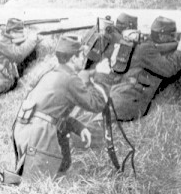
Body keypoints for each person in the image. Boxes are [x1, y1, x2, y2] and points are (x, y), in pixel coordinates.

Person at [0, 35, 111, 185]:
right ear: (73, 59)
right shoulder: (70, 79)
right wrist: (102, 76)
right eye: (81, 55)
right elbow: (96, 104)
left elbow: (51, 114)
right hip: (39, 136)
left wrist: (78, 127)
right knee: (30, 186)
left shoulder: (52, 74)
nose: (84, 59)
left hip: (25, 131)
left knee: (54, 174)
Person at [71, 16, 181, 147]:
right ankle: (66, 139)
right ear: (162, 37)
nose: (175, 38)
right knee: (86, 130)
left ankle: (62, 135)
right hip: (128, 99)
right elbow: (169, 69)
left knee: (85, 121)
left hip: (119, 93)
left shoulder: (141, 45)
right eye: (172, 35)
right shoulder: (147, 49)